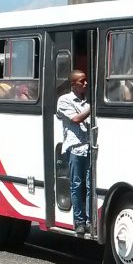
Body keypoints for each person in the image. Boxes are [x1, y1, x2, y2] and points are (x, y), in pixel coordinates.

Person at [56, 70, 91, 235]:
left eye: (86, 81)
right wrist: (92, 108)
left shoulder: (86, 101)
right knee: (76, 185)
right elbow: (76, 119)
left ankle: (90, 220)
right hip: (75, 148)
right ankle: (79, 221)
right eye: (82, 82)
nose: (85, 84)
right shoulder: (64, 100)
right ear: (73, 84)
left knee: (90, 185)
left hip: (89, 147)